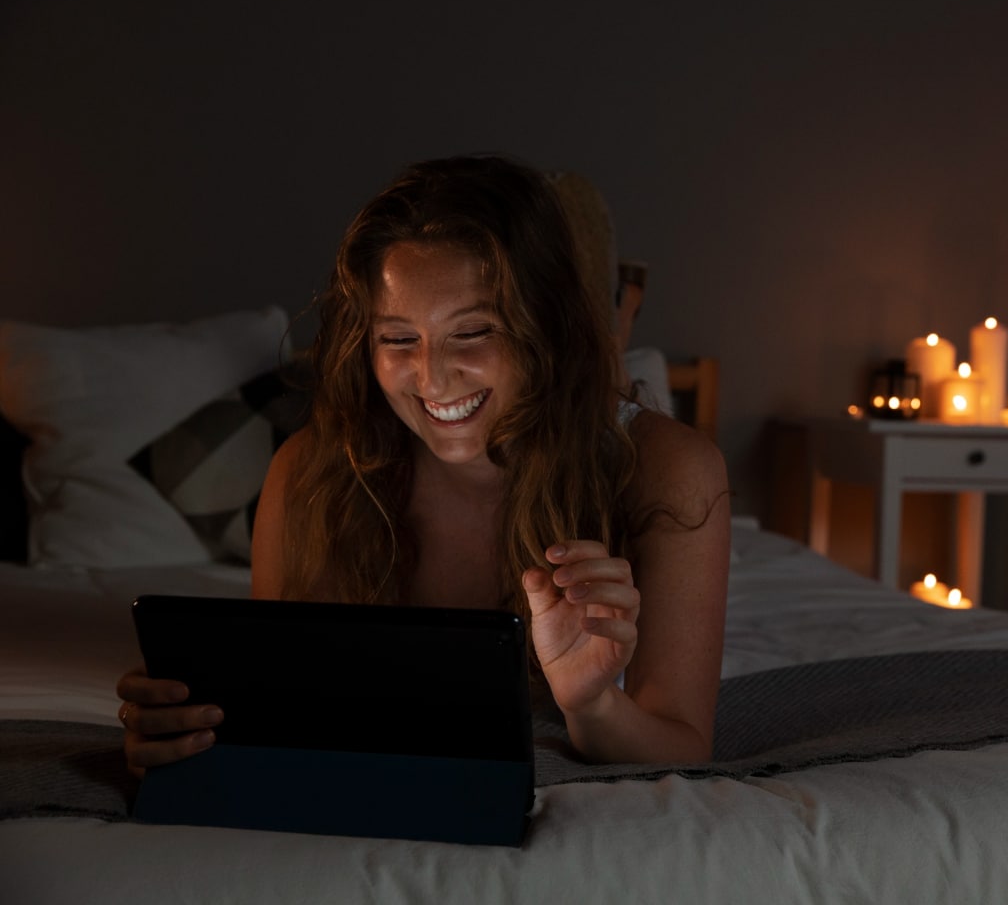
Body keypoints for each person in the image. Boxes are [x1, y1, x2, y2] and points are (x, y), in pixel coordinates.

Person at [116, 155, 730, 772]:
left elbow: (681, 748)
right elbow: (285, 716)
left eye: (472, 332)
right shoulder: (312, 473)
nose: (432, 377)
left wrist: (591, 705)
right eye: (398, 339)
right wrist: (182, 742)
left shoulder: (669, 470)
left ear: (546, 327)